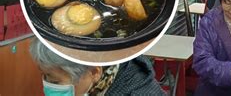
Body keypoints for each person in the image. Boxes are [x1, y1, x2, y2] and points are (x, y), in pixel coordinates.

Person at [29, 38, 166, 96]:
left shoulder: (137, 92)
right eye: (45, 75)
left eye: (55, 82)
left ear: (94, 72)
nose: (47, 85)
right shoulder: (104, 78)